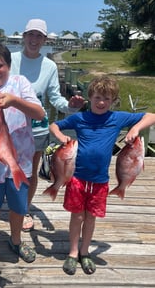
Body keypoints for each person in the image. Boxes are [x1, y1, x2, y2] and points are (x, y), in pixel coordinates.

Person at [0, 19, 85, 232]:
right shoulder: (10, 59)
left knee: (29, 172)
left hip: (36, 127)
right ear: (24, 36)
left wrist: (70, 106)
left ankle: (24, 208)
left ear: (45, 39)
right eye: (30, 35)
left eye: (39, 36)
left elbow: (54, 97)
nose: (34, 40)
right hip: (3, 123)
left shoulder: (50, 65)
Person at [49, 76, 155, 275]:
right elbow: (54, 125)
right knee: (77, 216)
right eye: (97, 97)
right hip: (77, 178)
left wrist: (135, 128)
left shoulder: (117, 118)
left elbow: (151, 115)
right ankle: (73, 252)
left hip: (100, 181)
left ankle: (85, 251)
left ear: (113, 100)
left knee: (90, 218)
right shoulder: (80, 118)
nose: (101, 102)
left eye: (106, 99)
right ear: (90, 97)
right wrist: (62, 136)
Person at [0, 42, 45, 284]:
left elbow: (39, 113)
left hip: (19, 163)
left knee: (18, 209)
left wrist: (14, 102)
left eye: (0, 66)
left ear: (8, 66)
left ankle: (15, 241)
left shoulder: (20, 84)